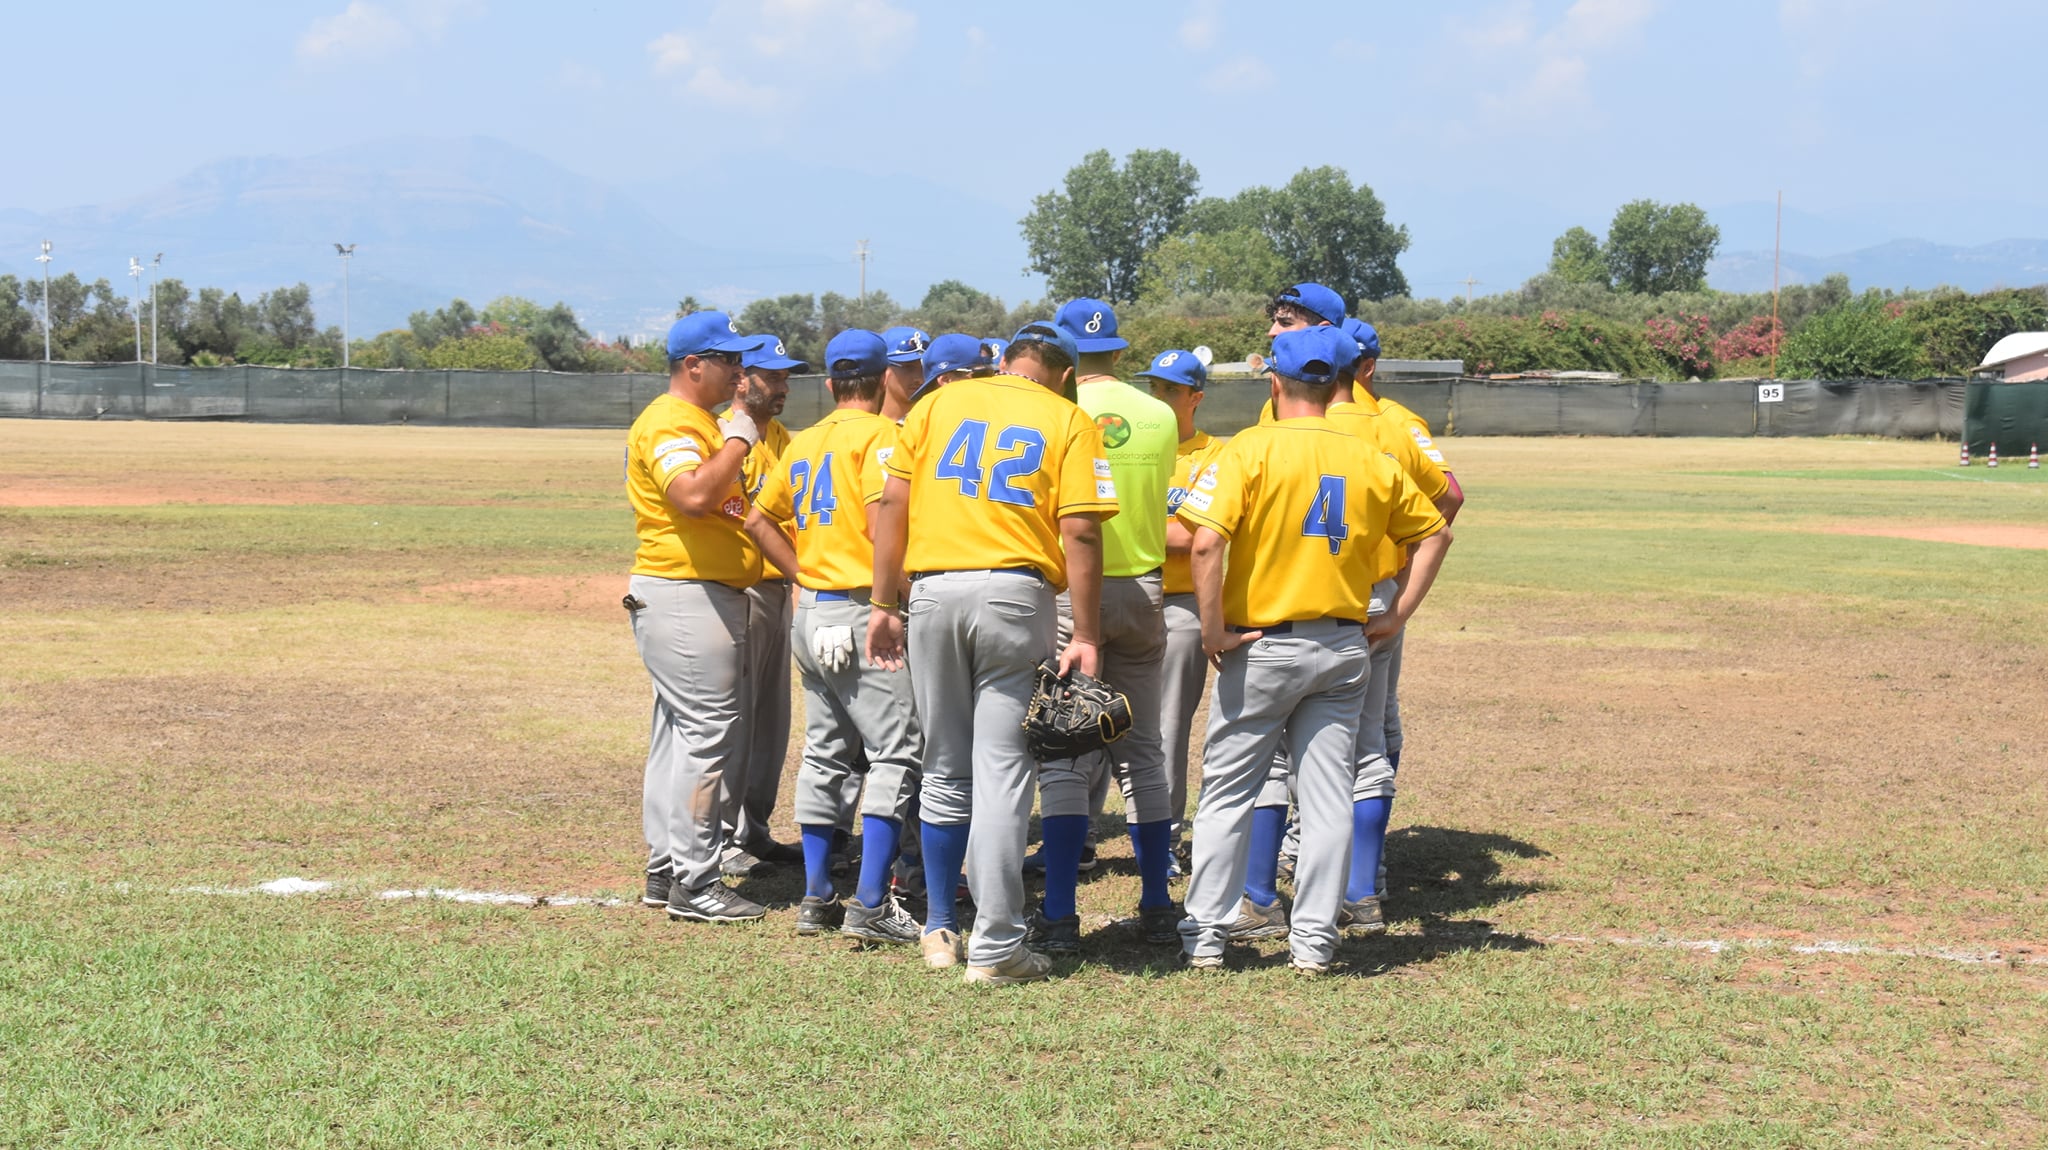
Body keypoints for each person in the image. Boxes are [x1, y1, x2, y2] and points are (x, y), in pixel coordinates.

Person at [1177, 325, 1452, 974]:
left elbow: (1206, 543)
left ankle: (1208, 938)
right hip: (1341, 644)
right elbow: (1435, 532)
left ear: (1275, 381)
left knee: (1227, 793)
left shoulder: (1248, 449)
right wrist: (1399, 613)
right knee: (1328, 796)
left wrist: (1212, 630)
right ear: (1338, 385)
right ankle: (1314, 944)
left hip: (1263, 645)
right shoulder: (1371, 455)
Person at [866, 321, 1117, 985]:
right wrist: (1086, 633)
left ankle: (939, 927)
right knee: (1004, 771)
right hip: (1012, 591)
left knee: (944, 767)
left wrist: (883, 603)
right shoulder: (1066, 415)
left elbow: (893, 500)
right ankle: (1000, 943)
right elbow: (1082, 531)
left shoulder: (939, 402)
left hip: (931, 591)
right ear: (1064, 372)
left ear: (1002, 361)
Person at [744, 329, 924, 947]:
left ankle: (817, 895)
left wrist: (804, 577)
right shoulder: (883, 437)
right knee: (896, 752)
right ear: (886, 381)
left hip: (813, 612)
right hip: (864, 611)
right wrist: (899, 597)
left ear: (828, 384)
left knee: (826, 753)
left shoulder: (805, 442)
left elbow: (757, 518)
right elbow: (883, 528)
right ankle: (872, 900)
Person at [1022, 298, 1179, 951]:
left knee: (1063, 750)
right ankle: (1156, 903)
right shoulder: (1162, 414)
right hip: (1143, 589)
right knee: (1143, 753)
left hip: (1070, 592)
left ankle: (1059, 910)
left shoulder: (1055, 413)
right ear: (1120, 346)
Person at [624, 309, 771, 923]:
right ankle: (693, 878)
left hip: (696, 591)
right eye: (729, 360)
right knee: (708, 734)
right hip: (686, 592)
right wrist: (741, 433)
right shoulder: (672, 422)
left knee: (680, 734)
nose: (740, 372)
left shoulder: (697, 423)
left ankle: (667, 866)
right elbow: (691, 495)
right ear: (694, 366)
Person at [721, 333, 805, 878]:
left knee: (772, 723)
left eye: (785, 376)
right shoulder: (725, 435)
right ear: (741, 379)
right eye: (771, 376)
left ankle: (754, 829)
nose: (782, 386)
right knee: (736, 717)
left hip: (778, 590)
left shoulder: (780, 436)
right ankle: (722, 837)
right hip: (743, 589)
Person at [1141, 348, 1229, 869]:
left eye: (1170, 390)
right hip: (1127, 593)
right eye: (1154, 387)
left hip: (1180, 603)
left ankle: (1165, 839)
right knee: (1088, 718)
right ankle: (1080, 837)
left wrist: (1123, 529)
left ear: (1195, 397)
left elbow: (1193, 535)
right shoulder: (1130, 445)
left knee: (1168, 725)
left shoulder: (1213, 455)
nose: (1158, 397)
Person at [878, 326, 930, 422]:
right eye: (908, 368)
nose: (920, 379)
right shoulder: (864, 428)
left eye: (925, 369)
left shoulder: (934, 425)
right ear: (883, 370)